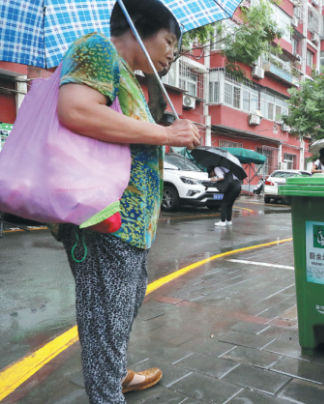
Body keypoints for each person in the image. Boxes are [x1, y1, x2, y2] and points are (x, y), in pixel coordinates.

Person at [54, 0, 201, 402]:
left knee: (121, 310)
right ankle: (107, 394)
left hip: (130, 225)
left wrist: (161, 129)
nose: (173, 51)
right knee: (104, 319)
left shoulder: (131, 78)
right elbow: (76, 110)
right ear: (138, 28)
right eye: (169, 40)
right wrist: (166, 135)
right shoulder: (98, 48)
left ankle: (115, 374)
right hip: (103, 218)